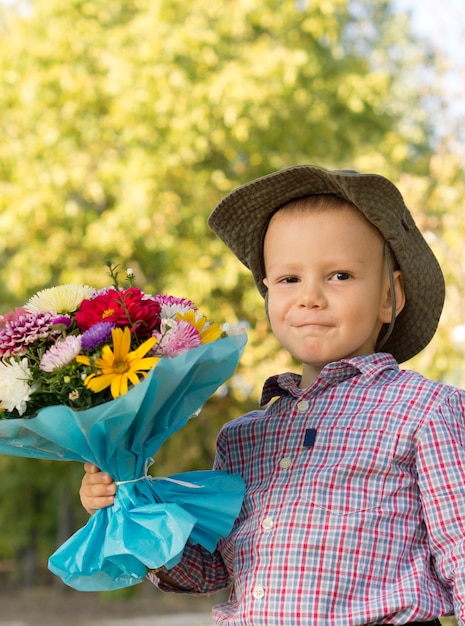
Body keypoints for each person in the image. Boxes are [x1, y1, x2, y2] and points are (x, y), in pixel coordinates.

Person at [80, 165, 465, 626]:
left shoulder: (425, 410)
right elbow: (215, 570)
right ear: (267, 293)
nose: (311, 298)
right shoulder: (243, 438)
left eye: (340, 275)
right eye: (288, 280)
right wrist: (128, 501)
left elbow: (460, 553)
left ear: (390, 296)